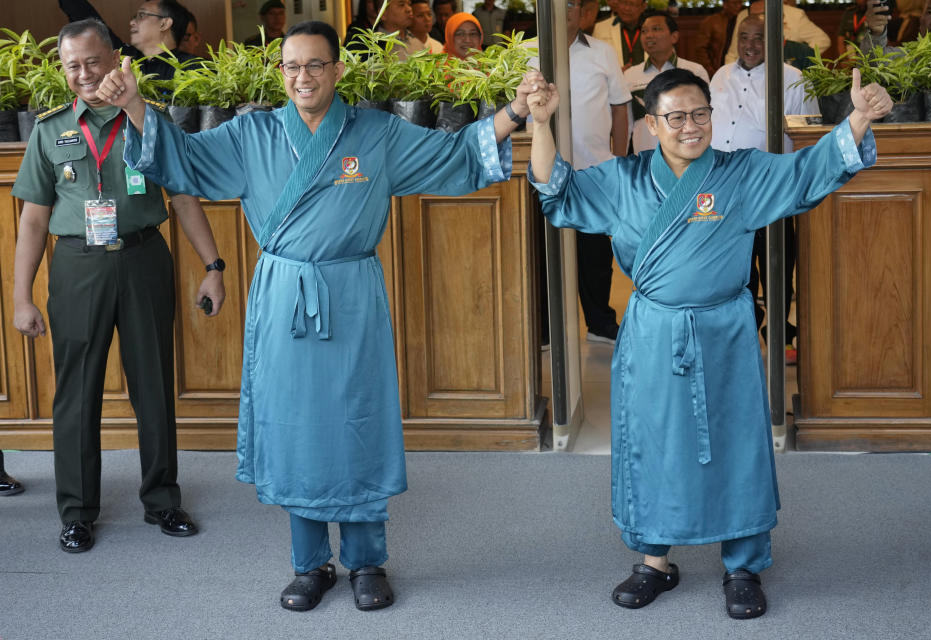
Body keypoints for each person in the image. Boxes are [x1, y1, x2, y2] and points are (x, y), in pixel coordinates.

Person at [98, 19, 530, 612]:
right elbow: (185, 161)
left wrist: (517, 109)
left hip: (351, 295)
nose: (303, 77)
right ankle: (309, 564)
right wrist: (138, 105)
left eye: (316, 65)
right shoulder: (251, 133)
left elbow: (455, 155)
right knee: (296, 426)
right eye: (292, 66)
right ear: (281, 73)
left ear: (338, 70)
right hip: (282, 296)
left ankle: (367, 561)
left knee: (357, 422)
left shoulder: (376, 132)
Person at [525, 64, 890, 618]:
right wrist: (541, 123)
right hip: (652, 333)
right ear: (651, 123)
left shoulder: (741, 173)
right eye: (675, 117)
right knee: (652, 442)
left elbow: (807, 170)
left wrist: (858, 119)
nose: (690, 126)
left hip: (726, 333)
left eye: (700, 114)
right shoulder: (622, 179)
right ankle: (653, 561)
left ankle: (743, 564)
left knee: (738, 444)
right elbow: (555, 188)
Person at [11, 18, 225, 553]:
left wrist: (214, 265)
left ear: (115, 59)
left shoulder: (148, 122)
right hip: (77, 266)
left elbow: (182, 198)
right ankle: (77, 511)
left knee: (153, 383)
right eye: (72, 66)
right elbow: (33, 220)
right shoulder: (49, 130)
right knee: (76, 393)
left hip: (143, 258)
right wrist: (20, 296)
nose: (83, 74)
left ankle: (162, 500)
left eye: (93, 62)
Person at [711, 15, 817, 361]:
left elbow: (808, 136)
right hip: (726, 187)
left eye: (759, 38)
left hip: (772, 186)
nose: (751, 45)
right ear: (736, 41)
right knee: (735, 265)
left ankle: (779, 332)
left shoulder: (793, 79)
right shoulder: (721, 75)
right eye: (744, 37)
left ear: (776, 42)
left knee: (776, 264)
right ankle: (743, 330)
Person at [532, 0, 631, 345]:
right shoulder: (526, 51)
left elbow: (620, 109)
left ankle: (599, 323)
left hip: (593, 168)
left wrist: (618, 160)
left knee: (594, 253)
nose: (565, 10)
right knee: (540, 252)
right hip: (540, 169)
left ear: (584, 11)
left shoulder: (603, 52)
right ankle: (543, 328)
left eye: (571, 3)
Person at [624, 11, 709, 152]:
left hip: (687, 156)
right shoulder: (630, 75)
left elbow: (704, 118)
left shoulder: (695, 71)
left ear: (674, 37)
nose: (649, 35)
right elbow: (626, 125)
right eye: (644, 31)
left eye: (656, 29)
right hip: (645, 157)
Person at [58, 0, 196, 81]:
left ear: (164, 24)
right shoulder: (127, 58)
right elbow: (83, 14)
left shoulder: (197, 68)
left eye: (142, 16)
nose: (132, 22)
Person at [723, 0, 831, 65]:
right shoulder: (743, 15)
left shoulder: (794, 15)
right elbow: (733, 54)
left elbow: (822, 40)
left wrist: (798, 57)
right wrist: (732, 78)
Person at [859, 0, 931, 50]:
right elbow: (875, 64)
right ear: (921, 20)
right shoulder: (909, 57)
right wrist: (876, 35)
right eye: (929, 12)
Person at [692, 0, 743, 77]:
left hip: (737, 69)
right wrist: (711, 71)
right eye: (734, 3)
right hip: (716, 69)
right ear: (725, 4)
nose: (738, 6)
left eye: (740, 3)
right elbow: (700, 49)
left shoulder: (743, 20)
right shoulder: (711, 22)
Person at [592, 0, 648, 70]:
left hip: (649, 79)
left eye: (632, 4)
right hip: (612, 79)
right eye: (623, 2)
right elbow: (594, 62)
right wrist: (615, 74)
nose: (627, 8)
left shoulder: (654, 29)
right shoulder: (600, 28)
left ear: (643, 6)